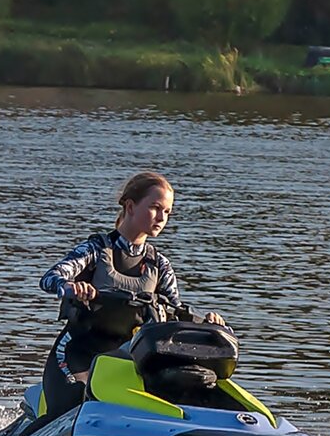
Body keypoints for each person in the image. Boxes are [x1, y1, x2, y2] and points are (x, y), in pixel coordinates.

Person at [39, 171, 226, 417]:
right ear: (130, 206)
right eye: (155, 208)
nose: (161, 217)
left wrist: (206, 322)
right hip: (76, 355)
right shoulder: (95, 250)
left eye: (167, 212)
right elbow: (50, 279)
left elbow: (174, 314)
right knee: (71, 406)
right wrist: (74, 287)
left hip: (125, 361)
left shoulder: (159, 265)